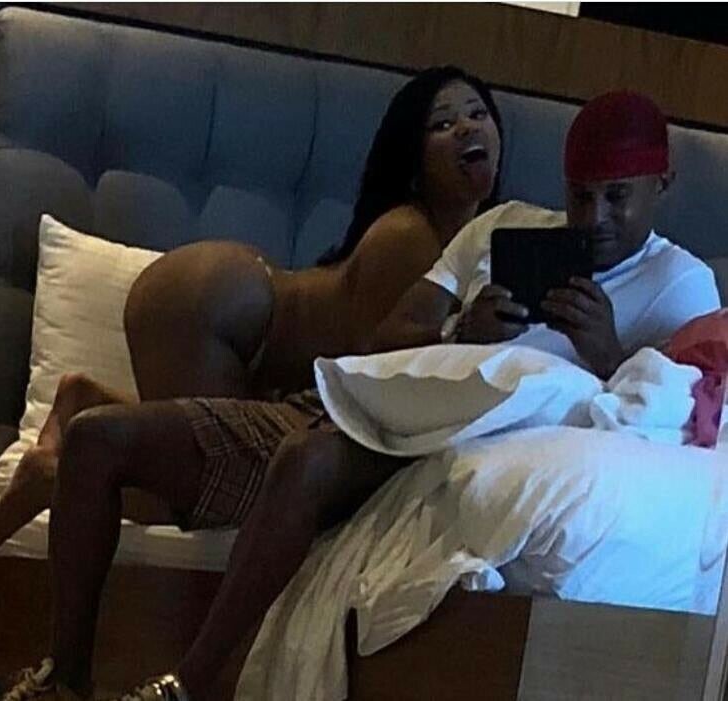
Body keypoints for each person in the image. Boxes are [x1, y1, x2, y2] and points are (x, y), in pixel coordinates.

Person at [74, 90, 715, 701]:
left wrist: (607, 351)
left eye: (617, 197)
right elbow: (383, 341)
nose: (595, 218)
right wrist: (461, 328)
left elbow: (677, 416)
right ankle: (62, 680)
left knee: (305, 461)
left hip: (470, 439)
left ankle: (188, 682)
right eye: (580, 195)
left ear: (662, 184)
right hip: (387, 405)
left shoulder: (681, 286)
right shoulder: (503, 226)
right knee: (104, 439)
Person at [0, 65, 503, 552]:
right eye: (442, 123)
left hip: (228, 303)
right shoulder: (412, 236)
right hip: (217, 312)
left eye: (478, 113)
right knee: (203, 496)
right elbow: (381, 365)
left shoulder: (464, 243)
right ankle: (52, 478)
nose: (465, 127)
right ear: (412, 163)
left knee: (199, 465)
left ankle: (85, 399)